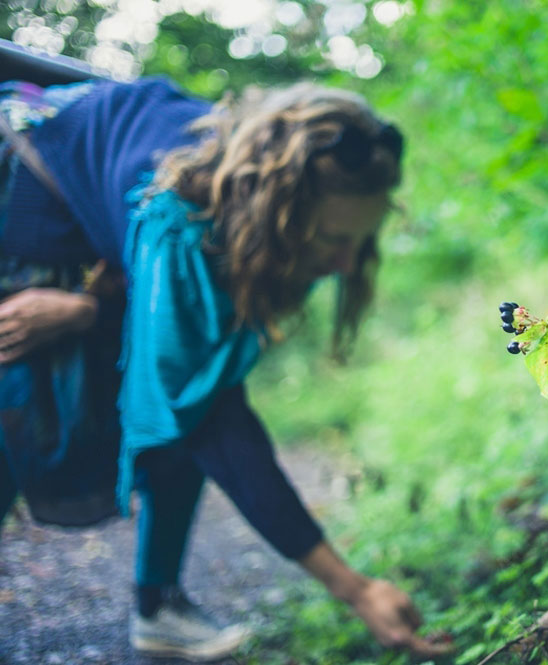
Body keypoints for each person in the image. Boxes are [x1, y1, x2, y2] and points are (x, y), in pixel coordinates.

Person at [0, 77, 451, 661]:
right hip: (22, 202)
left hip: (90, 238)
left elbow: (190, 375)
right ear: (280, 211)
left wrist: (91, 307)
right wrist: (354, 588)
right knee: (27, 394)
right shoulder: (179, 214)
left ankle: (158, 604)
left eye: (357, 241)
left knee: (186, 381)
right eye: (333, 239)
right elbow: (214, 416)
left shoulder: (240, 191)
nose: (344, 264)